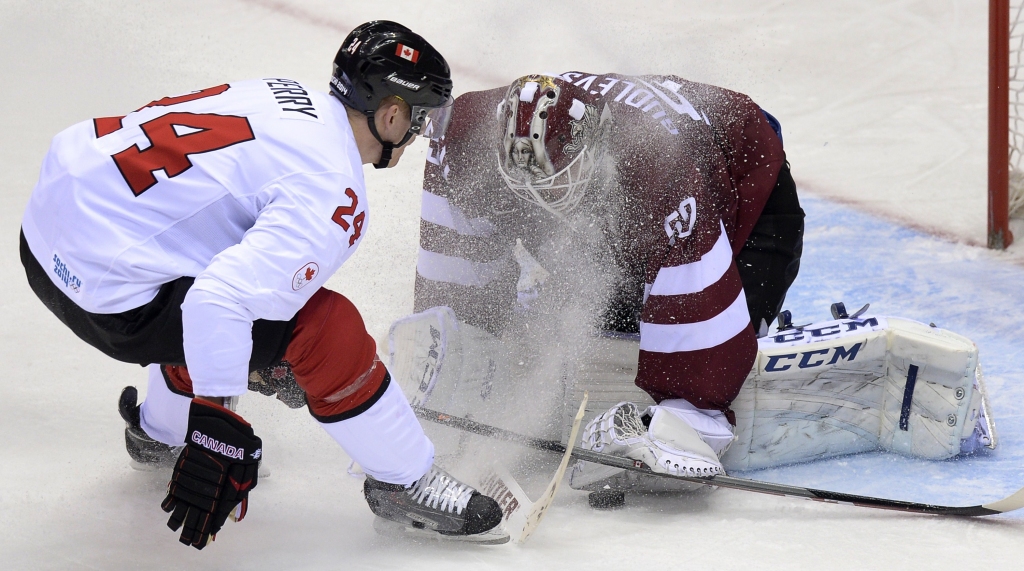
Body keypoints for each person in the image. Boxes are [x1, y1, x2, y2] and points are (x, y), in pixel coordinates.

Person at [389, 72, 995, 503]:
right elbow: (458, 248)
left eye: (556, 189)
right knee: (584, 308)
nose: (541, 205)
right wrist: (458, 348)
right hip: (628, 209)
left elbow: (697, 329)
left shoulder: (660, 163)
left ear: (594, 152)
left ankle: (732, 349)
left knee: (695, 335)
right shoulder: (467, 130)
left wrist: (686, 413)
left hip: (746, 197)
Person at [19, 21, 506, 548]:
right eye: (419, 118)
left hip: (46, 227)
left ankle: (159, 434)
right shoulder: (334, 192)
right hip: (106, 294)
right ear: (391, 113)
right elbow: (215, 302)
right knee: (322, 327)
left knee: (235, 276)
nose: (417, 135)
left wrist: (257, 354)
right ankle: (405, 482)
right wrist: (215, 433)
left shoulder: (282, 93)